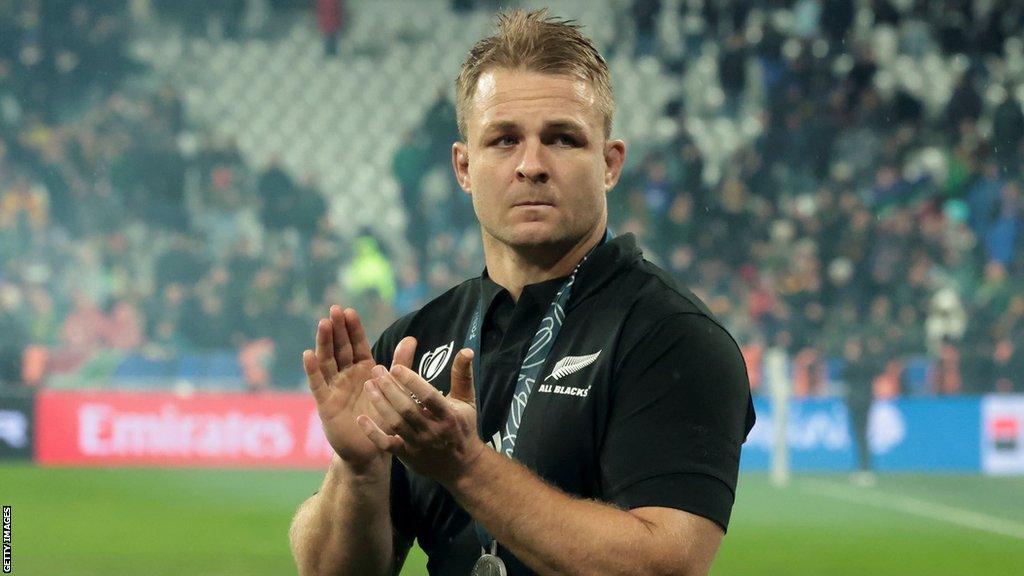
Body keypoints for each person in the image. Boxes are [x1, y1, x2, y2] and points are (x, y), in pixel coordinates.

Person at [289, 10, 755, 576]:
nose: (531, 165)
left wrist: (465, 467)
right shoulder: (415, 340)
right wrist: (357, 470)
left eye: (562, 138)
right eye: (504, 140)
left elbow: (664, 565)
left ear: (610, 163)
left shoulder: (672, 337)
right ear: (464, 166)